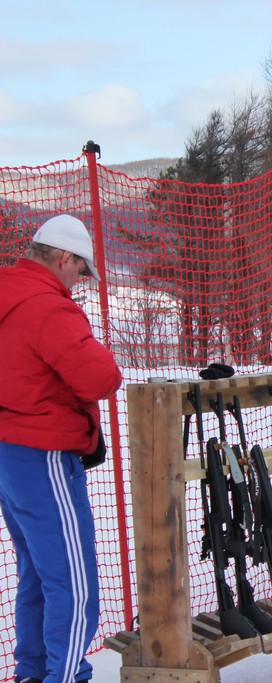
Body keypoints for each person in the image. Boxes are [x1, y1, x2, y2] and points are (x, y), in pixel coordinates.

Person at [0, 214, 122, 683]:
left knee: (37, 572)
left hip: (10, 453)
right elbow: (101, 377)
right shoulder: (49, 308)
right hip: (44, 454)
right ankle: (66, 675)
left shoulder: (8, 292)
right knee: (72, 580)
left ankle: (33, 670)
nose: (79, 281)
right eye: (80, 270)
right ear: (64, 258)